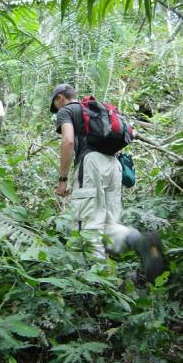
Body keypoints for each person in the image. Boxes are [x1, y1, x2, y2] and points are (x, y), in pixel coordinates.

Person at [50, 83, 164, 282]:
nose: (56, 110)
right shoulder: (96, 110)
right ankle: (138, 239)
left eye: (55, 105)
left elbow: (68, 141)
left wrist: (62, 180)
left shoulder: (67, 110)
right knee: (108, 223)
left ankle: (99, 285)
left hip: (91, 163)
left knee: (88, 227)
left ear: (60, 98)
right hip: (113, 165)